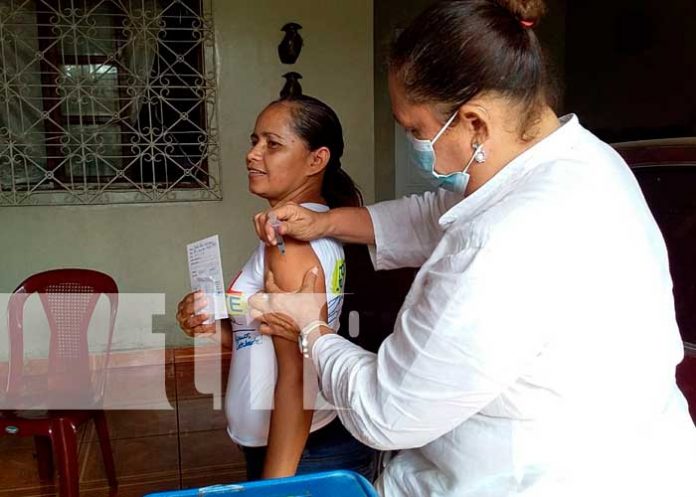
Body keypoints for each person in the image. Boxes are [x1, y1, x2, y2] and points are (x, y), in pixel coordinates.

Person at [248, 1, 696, 496]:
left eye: (416, 131)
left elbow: (387, 411)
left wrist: (311, 328)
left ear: (475, 124)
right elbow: (441, 213)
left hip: (538, 477)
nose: (419, 145)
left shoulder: (502, 242)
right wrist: (327, 220)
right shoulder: (584, 160)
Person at [176, 95, 376, 481]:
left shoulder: (290, 246)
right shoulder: (303, 229)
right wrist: (214, 327)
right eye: (254, 141)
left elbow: (297, 377)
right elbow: (263, 340)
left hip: (306, 454)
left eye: (272, 144)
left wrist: (275, 488)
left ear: (316, 160)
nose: (253, 155)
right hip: (301, 445)